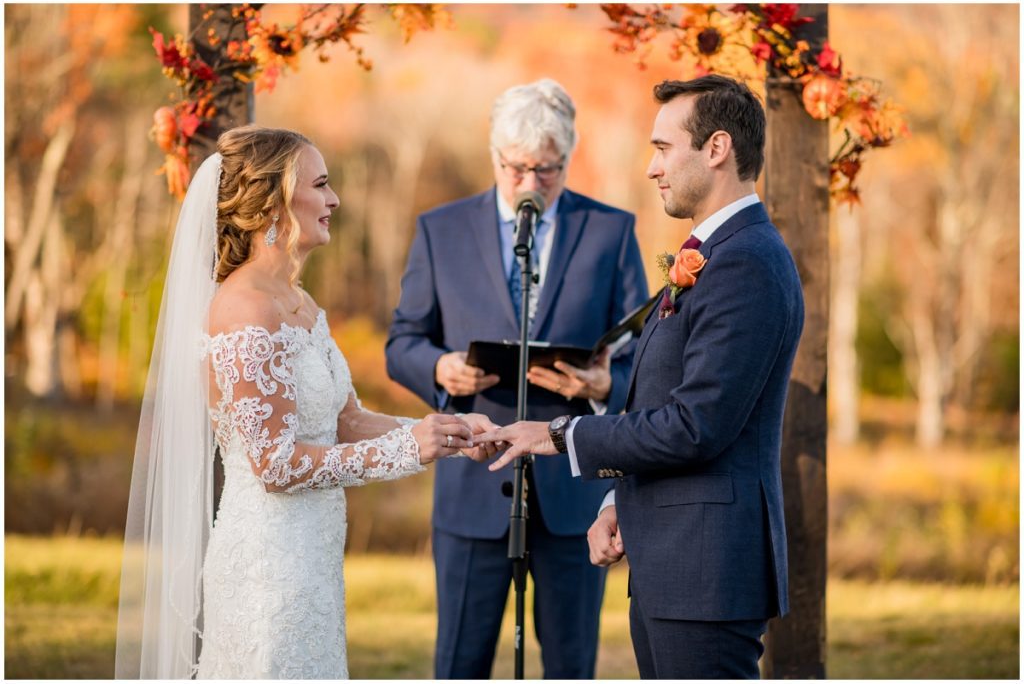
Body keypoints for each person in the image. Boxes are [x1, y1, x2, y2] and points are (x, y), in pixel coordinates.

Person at [115, 125, 496, 679]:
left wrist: (447, 434)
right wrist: (411, 451)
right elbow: (275, 465)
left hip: (312, 561)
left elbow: (345, 420)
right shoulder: (245, 309)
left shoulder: (297, 299)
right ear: (273, 201)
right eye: (320, 184)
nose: (335, 199)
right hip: (267, 566)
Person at [480, 74, 805, 679]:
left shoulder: (747, 264)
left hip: (706, 574)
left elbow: (694, 425)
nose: (652, 168)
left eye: (662, 147)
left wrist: (557, 435)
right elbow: (667, 399)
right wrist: (620, 502)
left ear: (716, 148)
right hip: (674, 563)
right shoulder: (716, 255)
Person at [385, 79, 649, 678]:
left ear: (568, 158)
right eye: (518, 168)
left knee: (570, 666)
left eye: (548, 170)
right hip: (472, 488)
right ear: (494, 156)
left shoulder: (610, 231)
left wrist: (605, 387)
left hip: (571, 495)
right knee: (460, 664)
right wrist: (439, 367)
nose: (531, 183)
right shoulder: (441, 229)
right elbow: (402, 341)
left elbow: (646, 358)